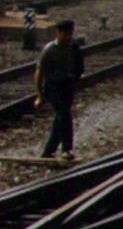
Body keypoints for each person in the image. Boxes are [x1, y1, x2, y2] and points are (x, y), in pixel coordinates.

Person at [35, 18, 85, 158]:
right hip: (53, 87)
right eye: (65, 34)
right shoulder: (49, 50)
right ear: (58, 33)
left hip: (67, 86)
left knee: (61, 117)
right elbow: (39, 73)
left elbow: (80, 68)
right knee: (64, 114)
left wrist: (75, 80)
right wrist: (40, 96)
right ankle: (67, 148)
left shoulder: (74, 48)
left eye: (70, 34)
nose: (68, 37)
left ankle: (48, 150)